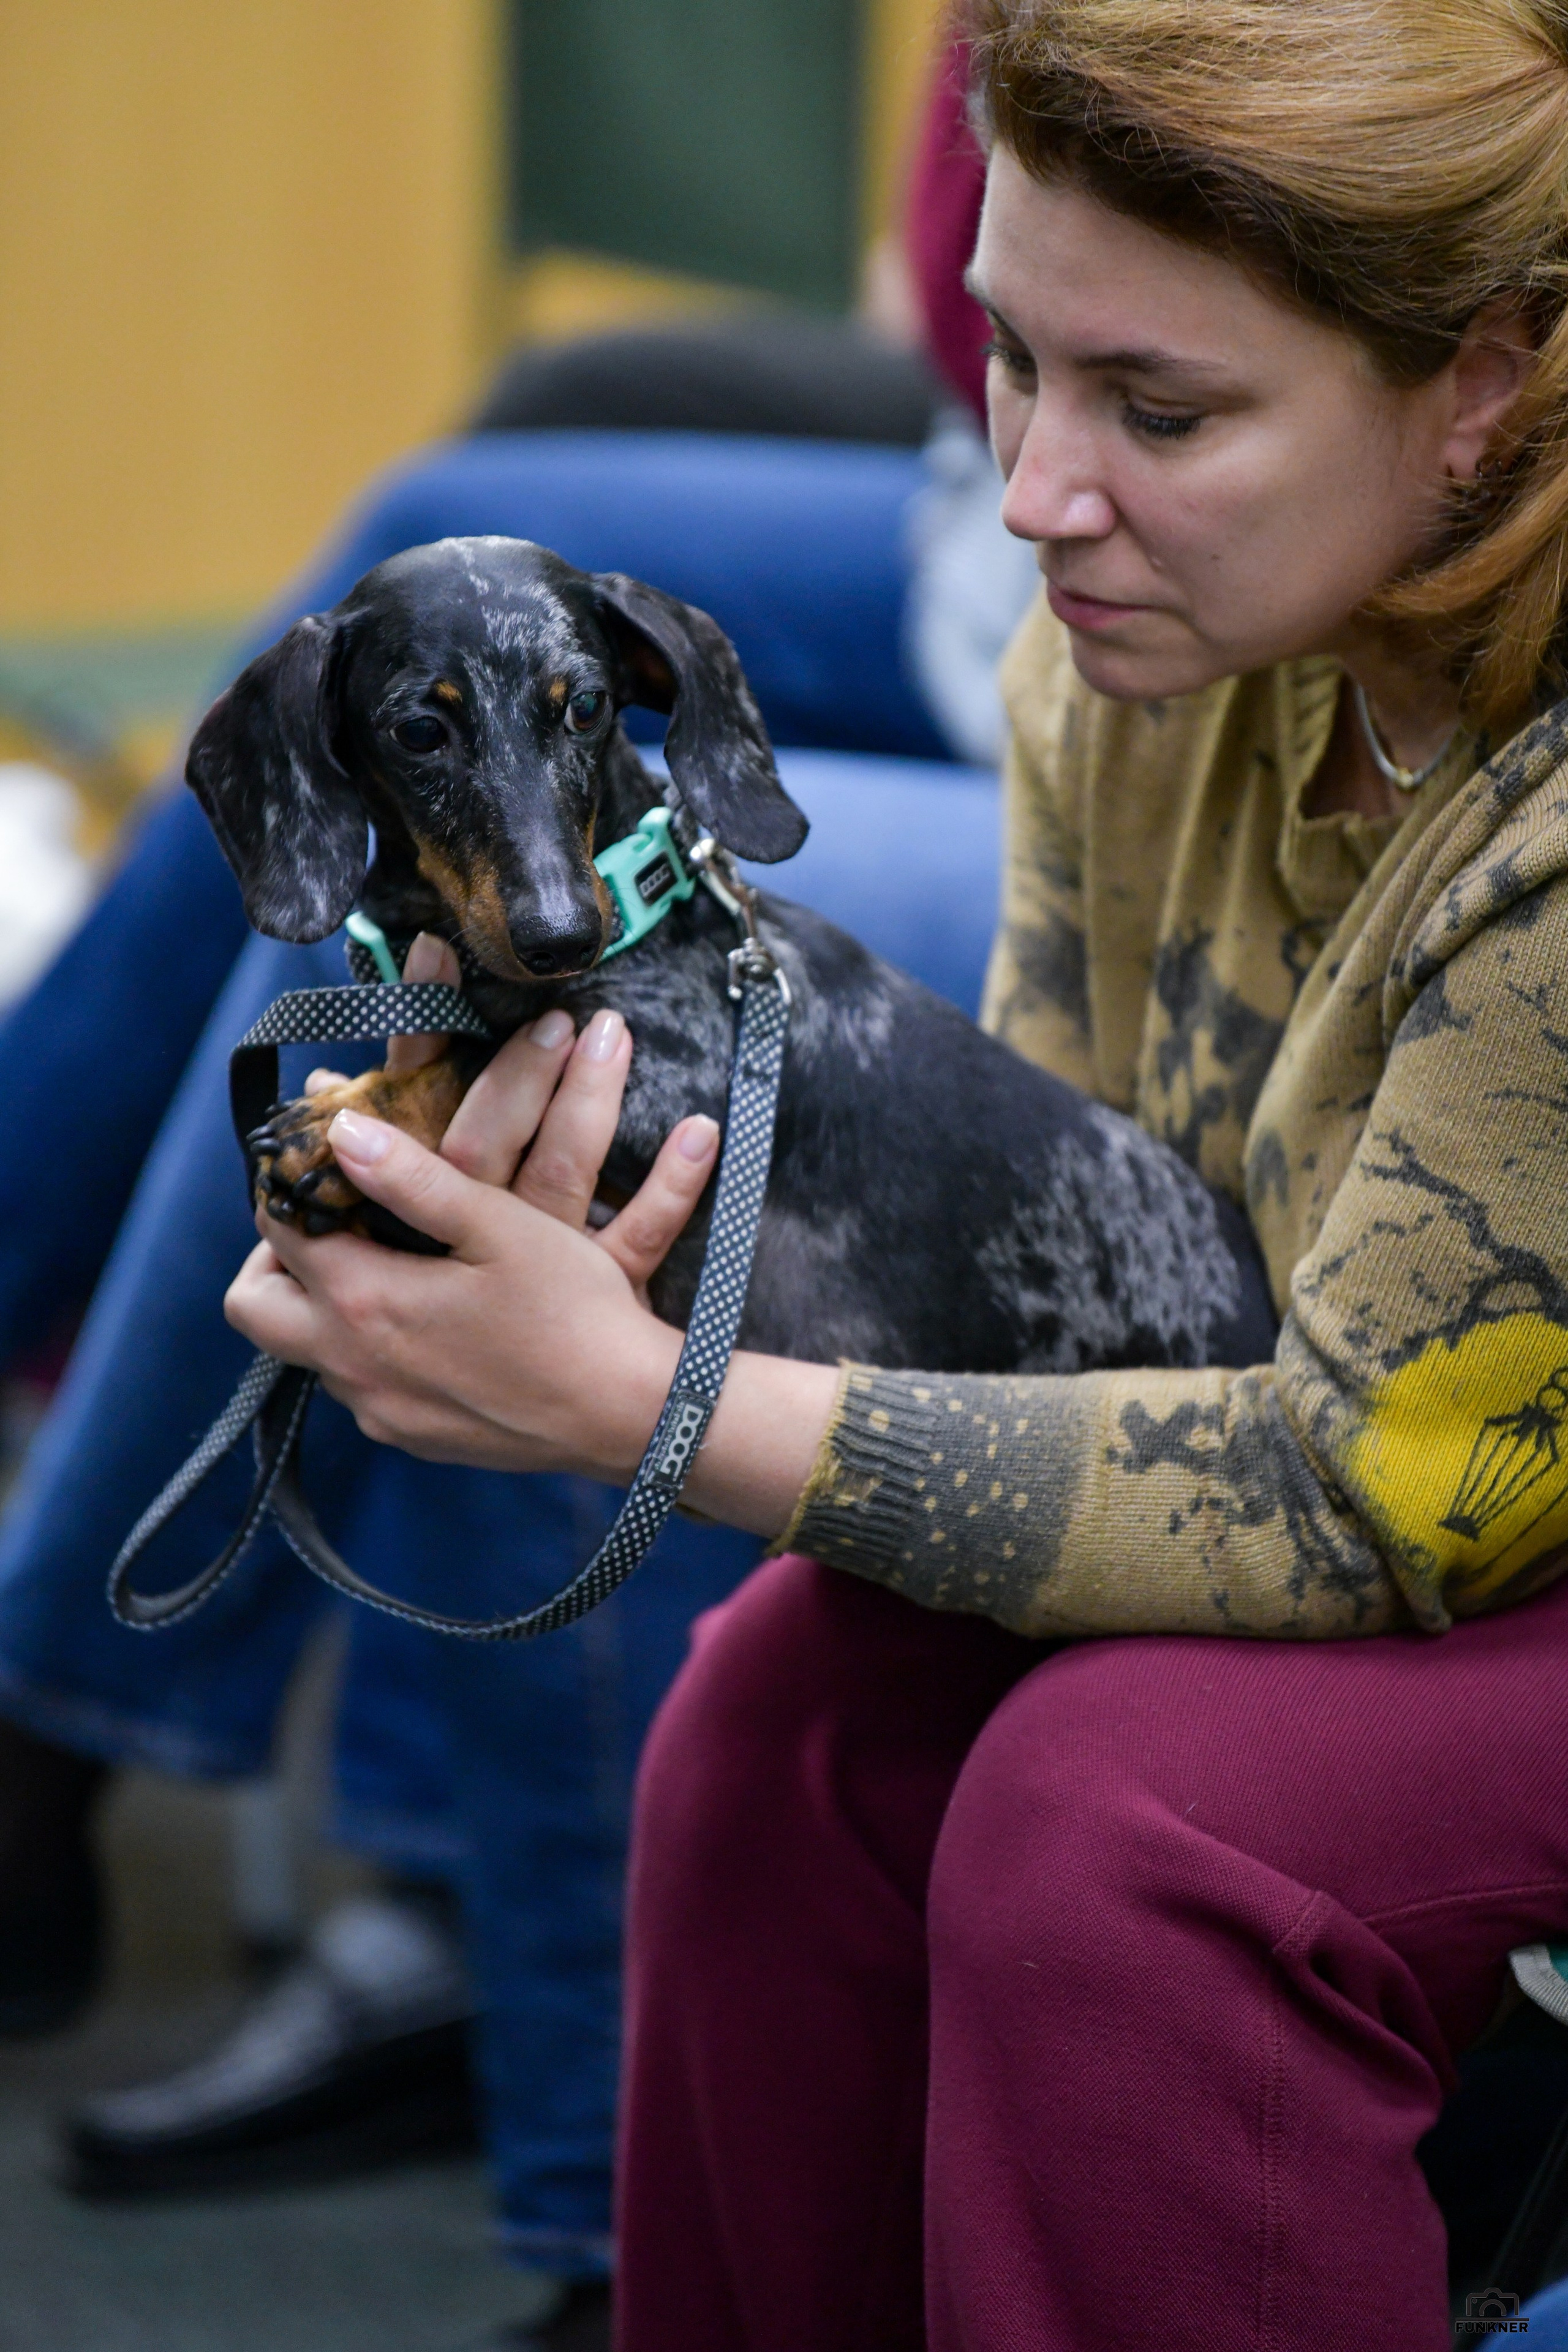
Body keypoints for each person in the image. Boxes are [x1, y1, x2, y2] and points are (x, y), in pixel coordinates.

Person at [221, 0, 1568, 2343]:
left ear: (1487, 389)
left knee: (1117, 1825)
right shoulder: (1131, 654)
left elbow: (1372, 1498)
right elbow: (1078, 1227)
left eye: (1160, 411)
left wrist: (641, 1400)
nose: (1037, 491)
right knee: (774, 1735)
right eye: (1017, 367)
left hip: (1473, 1504)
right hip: (1339, 1412)